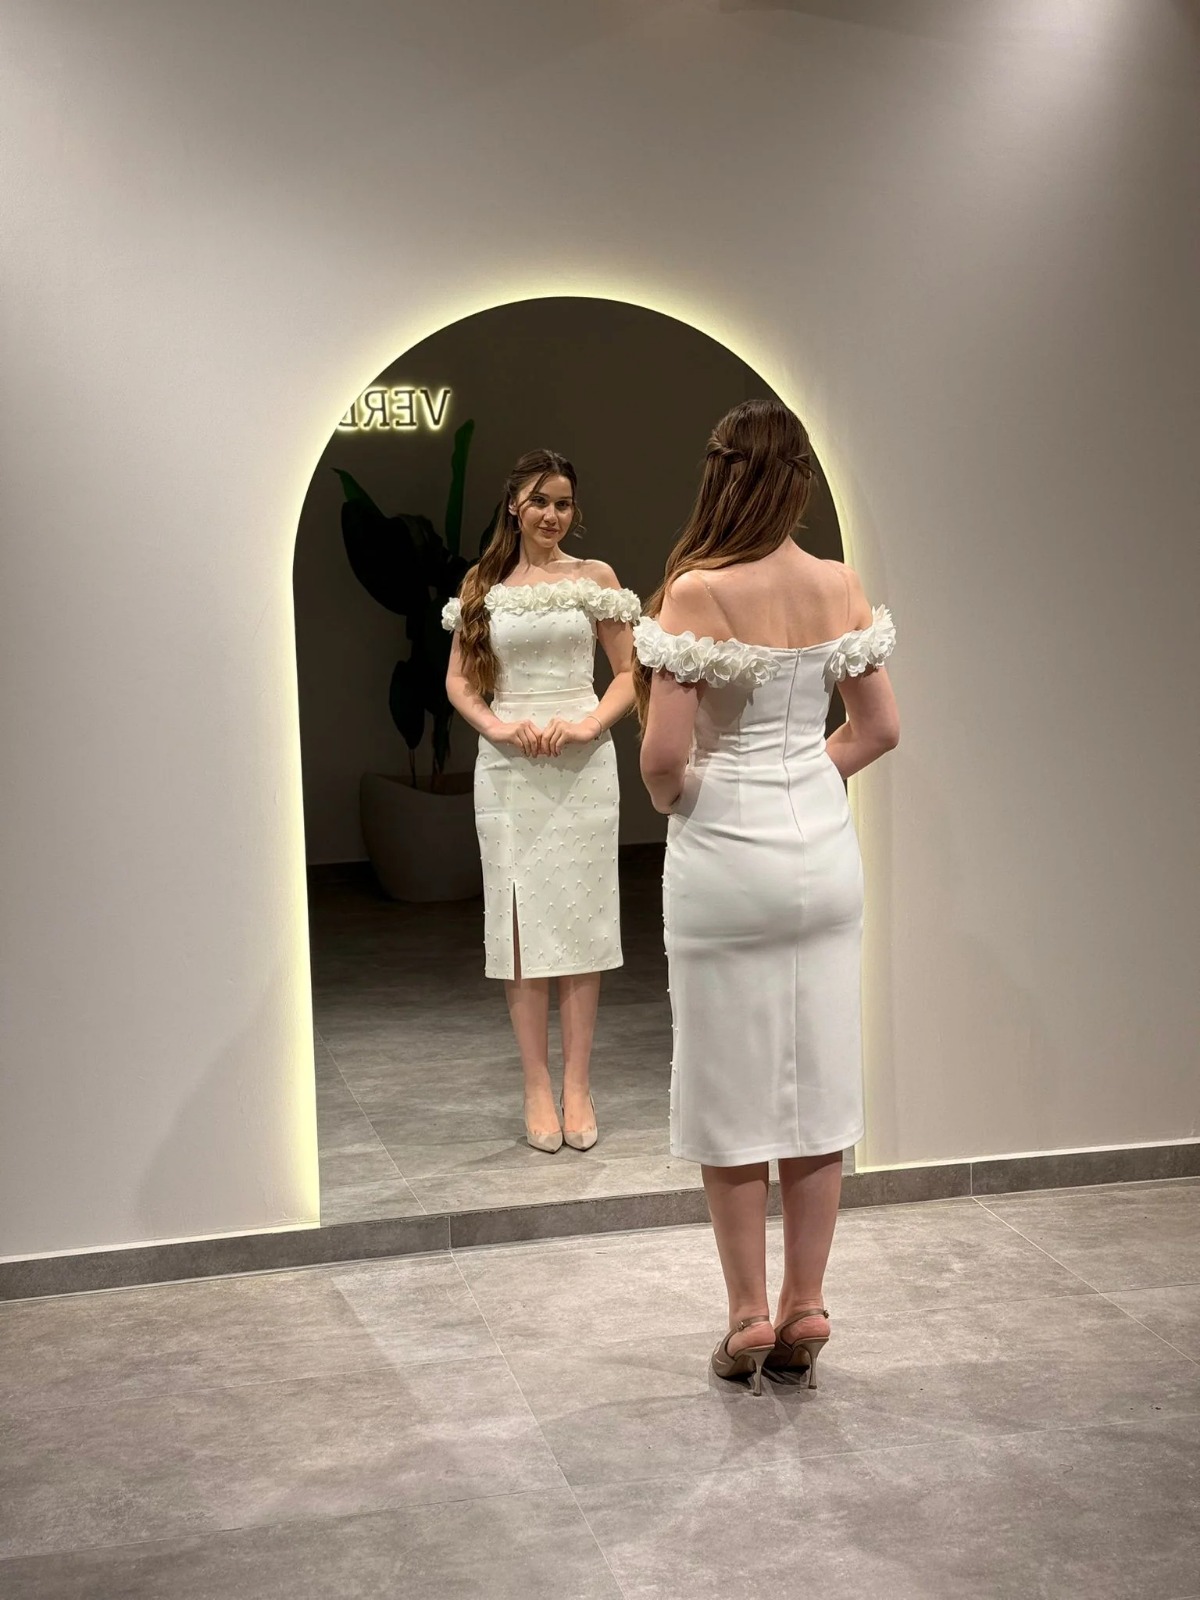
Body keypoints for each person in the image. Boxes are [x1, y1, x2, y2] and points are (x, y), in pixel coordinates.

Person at [633, 399, 899, 1394]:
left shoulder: (696, 593)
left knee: (731, 1083)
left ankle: (748, 1314)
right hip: (822, 857)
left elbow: (662, 760)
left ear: (721, 474)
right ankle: (807, 1303)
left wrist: (694, 799)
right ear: (798, 481)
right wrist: (803, 778)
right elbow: (878, 729)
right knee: (816, 1082)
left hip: (725, 858)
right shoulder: (838, 584)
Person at [444, 449, 640, 1153]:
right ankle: (535, 1085)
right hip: (508, 770)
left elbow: (629, 673)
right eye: (540, 501)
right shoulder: (483, 583)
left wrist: (589, 723)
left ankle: (578, 1085)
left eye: (562, 503)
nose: (552, 515)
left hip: (582, 766)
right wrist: (498, 727)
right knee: (520, 928)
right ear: (514, 506)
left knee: (582, 922)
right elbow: (459, 681)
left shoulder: (595, 578)